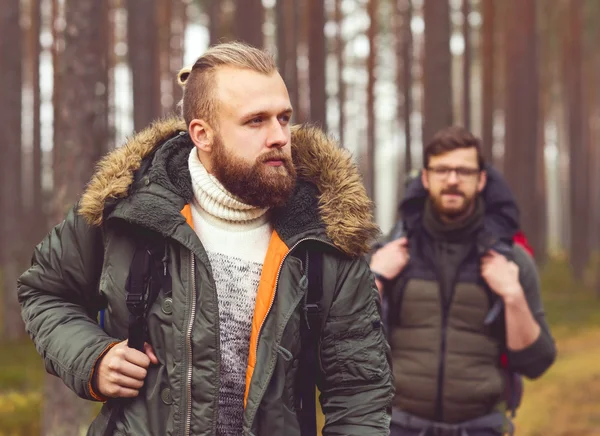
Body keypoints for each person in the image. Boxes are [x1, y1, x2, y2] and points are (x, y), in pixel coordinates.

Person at [18, 42, 393, 436]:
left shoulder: (326, 234)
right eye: (255, 121)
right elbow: (45, 292)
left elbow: (360, 394)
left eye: (284, 118)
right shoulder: (127, 209)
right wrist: (92, 358)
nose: (280, 136)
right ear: (202, 134)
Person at [369, 126, 556, 435]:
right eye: (442, 170)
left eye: (464, 171)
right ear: (425, 178)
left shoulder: (511, 261)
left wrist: (513, 296)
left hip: (482, 428)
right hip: (398, 426)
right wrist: (374, 280)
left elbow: (536, 363)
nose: (453, 180)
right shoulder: (390, 255)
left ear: (481, 180)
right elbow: (343, 347)